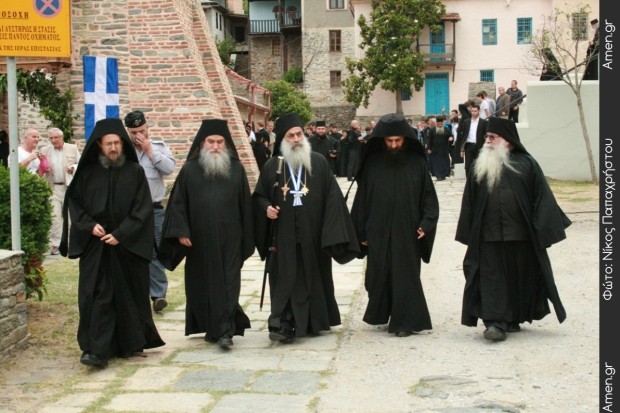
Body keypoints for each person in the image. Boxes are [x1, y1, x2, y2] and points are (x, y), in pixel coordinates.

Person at [60, 118, 165, 368]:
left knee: (128, 295)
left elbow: (142, 209)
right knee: (97, 296)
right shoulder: (86, 173)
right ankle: (97, 350)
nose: (114, 148)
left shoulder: (134, 172)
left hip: (127, 246)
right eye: (109, 144)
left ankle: (130, 343)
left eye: (117, 143)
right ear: (99, 144)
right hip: (95, 245)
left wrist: (121, 233)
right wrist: (89, 225)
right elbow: (75, 204)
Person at [455, 117, 571, 342]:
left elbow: (542, 198)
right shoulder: (480, 165)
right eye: (486, 137)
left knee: (519, 278)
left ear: (507, 140)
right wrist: (468, 231)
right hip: (488, 236)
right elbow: (469, 201)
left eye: (492, 137)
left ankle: (513, 317)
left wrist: (542, 229)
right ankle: (495, 323)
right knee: (491, 278)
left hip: (521, 236)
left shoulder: (527, 164)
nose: (487, 141)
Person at [253, 113, 359, 343]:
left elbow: (333, 198)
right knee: (285, 278)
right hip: (283, 235)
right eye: (290, 136)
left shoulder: (318, 162)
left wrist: (332, 231)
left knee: (313, 277)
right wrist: (266, 208)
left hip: (314, 234)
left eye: (299, 134)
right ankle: (282, 323)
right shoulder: (272, 166)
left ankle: (314, 321)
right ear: (282, 140)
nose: (296, 140)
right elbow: (259, 196)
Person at [158, 119, 254, 348]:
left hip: (231, 238)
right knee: (202, 285)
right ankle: (213, 327)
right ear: (202, 143)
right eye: (211, 141)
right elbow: (177, 204)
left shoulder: (236, 169)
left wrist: (246, 235)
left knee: (229, 283)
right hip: (198, 240)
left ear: (226, 143)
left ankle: (225, 331)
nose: (215, 146)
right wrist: (181, 231)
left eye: (220, 142)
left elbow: (245, 205)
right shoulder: (190, 170)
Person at [350, 113, 439, 337]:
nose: (393, 145)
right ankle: (384, 312)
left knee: (405, 274)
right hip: (377, 229)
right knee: (377, 276)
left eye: (397, 140)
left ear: (405, 139)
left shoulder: (417, 163)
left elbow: (429, 197)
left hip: (407, 229)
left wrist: (426, 224)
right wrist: (361, 230)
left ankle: (405, 322)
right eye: (389, 141)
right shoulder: (371, 164)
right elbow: (362, 200)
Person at [124, 111, 177, 313]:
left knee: (155, 250)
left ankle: (158, 295)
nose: (139, 135)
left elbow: (169, 169)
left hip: (154, 209)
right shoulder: (124, 150)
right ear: (128, 132)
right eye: (134, 132)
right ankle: (135, 294)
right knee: (131, 250)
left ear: (147, 128)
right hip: (130, 211)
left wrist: (150, 151)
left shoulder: (159, 147)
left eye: (142, 130)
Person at [41, 128, 81, 255]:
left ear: (62, 137)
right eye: (51, 138)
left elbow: (80, 164)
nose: (54, 140)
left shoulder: (72, 148)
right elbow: (41, 167)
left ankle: (69, 243)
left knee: (69, 216)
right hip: (53, 187)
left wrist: (73, 168)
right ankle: (56, 244)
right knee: (55, 216)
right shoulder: (45, 150)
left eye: (56, 137)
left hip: (68, 187)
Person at [456, 105, 488, 177]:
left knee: (479, 164)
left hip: (479, 145)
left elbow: (486, 135)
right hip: (468, 145)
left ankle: (478, 180)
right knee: (468, 165)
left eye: (475, 111)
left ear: (479, 111)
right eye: (472, 111)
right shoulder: (466, 122)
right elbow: (464, 136)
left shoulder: (484, 122)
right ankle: (468, 180)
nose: (473, 113)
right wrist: (462, 149)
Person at [426, 116, 453, 181]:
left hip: (444, 150)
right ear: (437, 123)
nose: (440, 124)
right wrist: (429, 148)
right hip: (435, 150)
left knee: (444, 163)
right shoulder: (432, 130)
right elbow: (429, 140)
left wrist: (451, 138)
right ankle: (438, 176)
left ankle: (443, 175)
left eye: (441, 123)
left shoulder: (447, 129)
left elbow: (451, 136)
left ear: (443, 123)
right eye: (438, 123)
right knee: (436, 163)